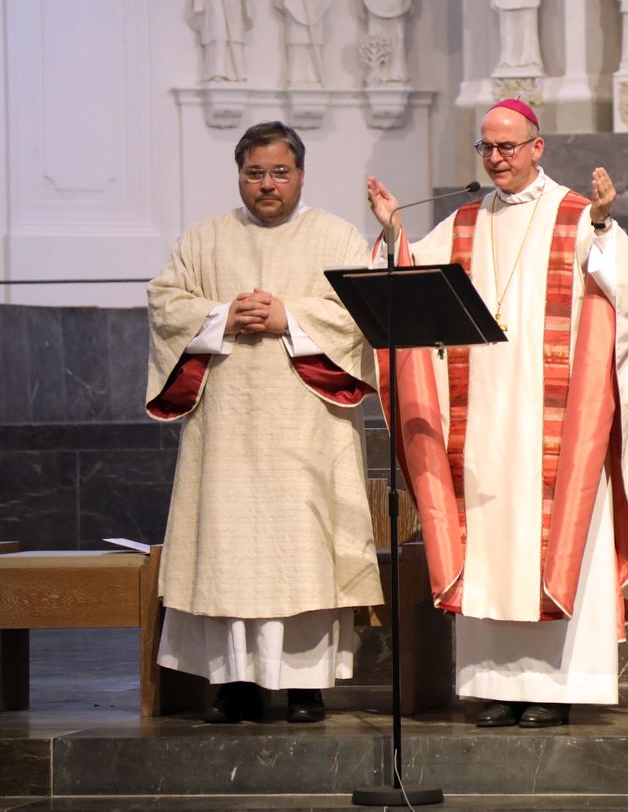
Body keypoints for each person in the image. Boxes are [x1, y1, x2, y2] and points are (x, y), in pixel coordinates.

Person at [365, 98, 628, 728]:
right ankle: (497, 686)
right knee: (493, 555)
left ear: (536, 147)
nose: (495, 159)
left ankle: (555, 690)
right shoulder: (464, 221)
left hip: (556, 424)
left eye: (507, 147)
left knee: (549, 543)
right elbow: (413, 279)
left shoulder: (579, 214)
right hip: (483, 427)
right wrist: (394, 235)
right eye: (486, 148)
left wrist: (605, 230)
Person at [146, 121, 382, 724]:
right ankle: (236, 685)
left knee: (303, 551)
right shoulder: (205, 241)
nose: (268, 184)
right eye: (255, 173)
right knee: (230, 552)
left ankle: (306, 686)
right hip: (226, 431)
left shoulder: (335, 236)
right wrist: (222, 315)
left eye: (280, 171)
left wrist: (289, 318)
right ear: (240, 176)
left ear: (301, 174)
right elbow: (166, 303)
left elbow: (361, 310)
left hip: (307, 429)